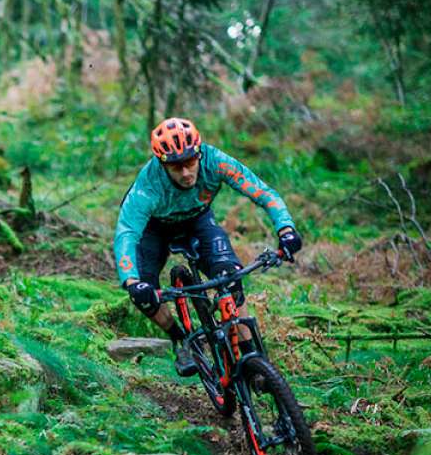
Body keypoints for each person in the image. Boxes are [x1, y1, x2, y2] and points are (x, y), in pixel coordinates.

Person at [113, 117, 303, 376]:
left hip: (197, 220)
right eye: (176, 167)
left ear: (199, 153)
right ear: (162, 163)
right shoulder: (148, 187)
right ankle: (180, 338)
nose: (186, 173)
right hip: (154, 229)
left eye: (190, 162)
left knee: (230, 275)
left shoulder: (216, 161)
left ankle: (251, 356)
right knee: (143, 294)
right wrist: (132, 281)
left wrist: (286, 229)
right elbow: (127, 233)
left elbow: (263, 193)